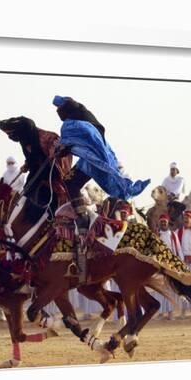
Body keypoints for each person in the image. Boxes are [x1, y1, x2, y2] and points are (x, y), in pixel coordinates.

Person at [52, 95, 150, 281]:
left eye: (58, 109)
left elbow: (75, 143)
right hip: (89, 159)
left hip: (90, 161)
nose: (57, 113)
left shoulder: (72, 125)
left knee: (70, 183)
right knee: (69, 182)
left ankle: (82, 216)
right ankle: (81, 215)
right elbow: (78, 144)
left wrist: (64, 148)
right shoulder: (82, 123)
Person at [155, 214, 183, 319]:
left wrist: (180, 264)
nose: (163, 223)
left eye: (165, 222)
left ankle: (171, 312)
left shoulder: (173, 235)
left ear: (167, 223)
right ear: (159, 223)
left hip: (171, 265)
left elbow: (179, 250)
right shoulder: (156, 235)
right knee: (160, 288)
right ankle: (161, 312)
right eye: (161, 222)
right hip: (160, 265)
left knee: (170, 289)